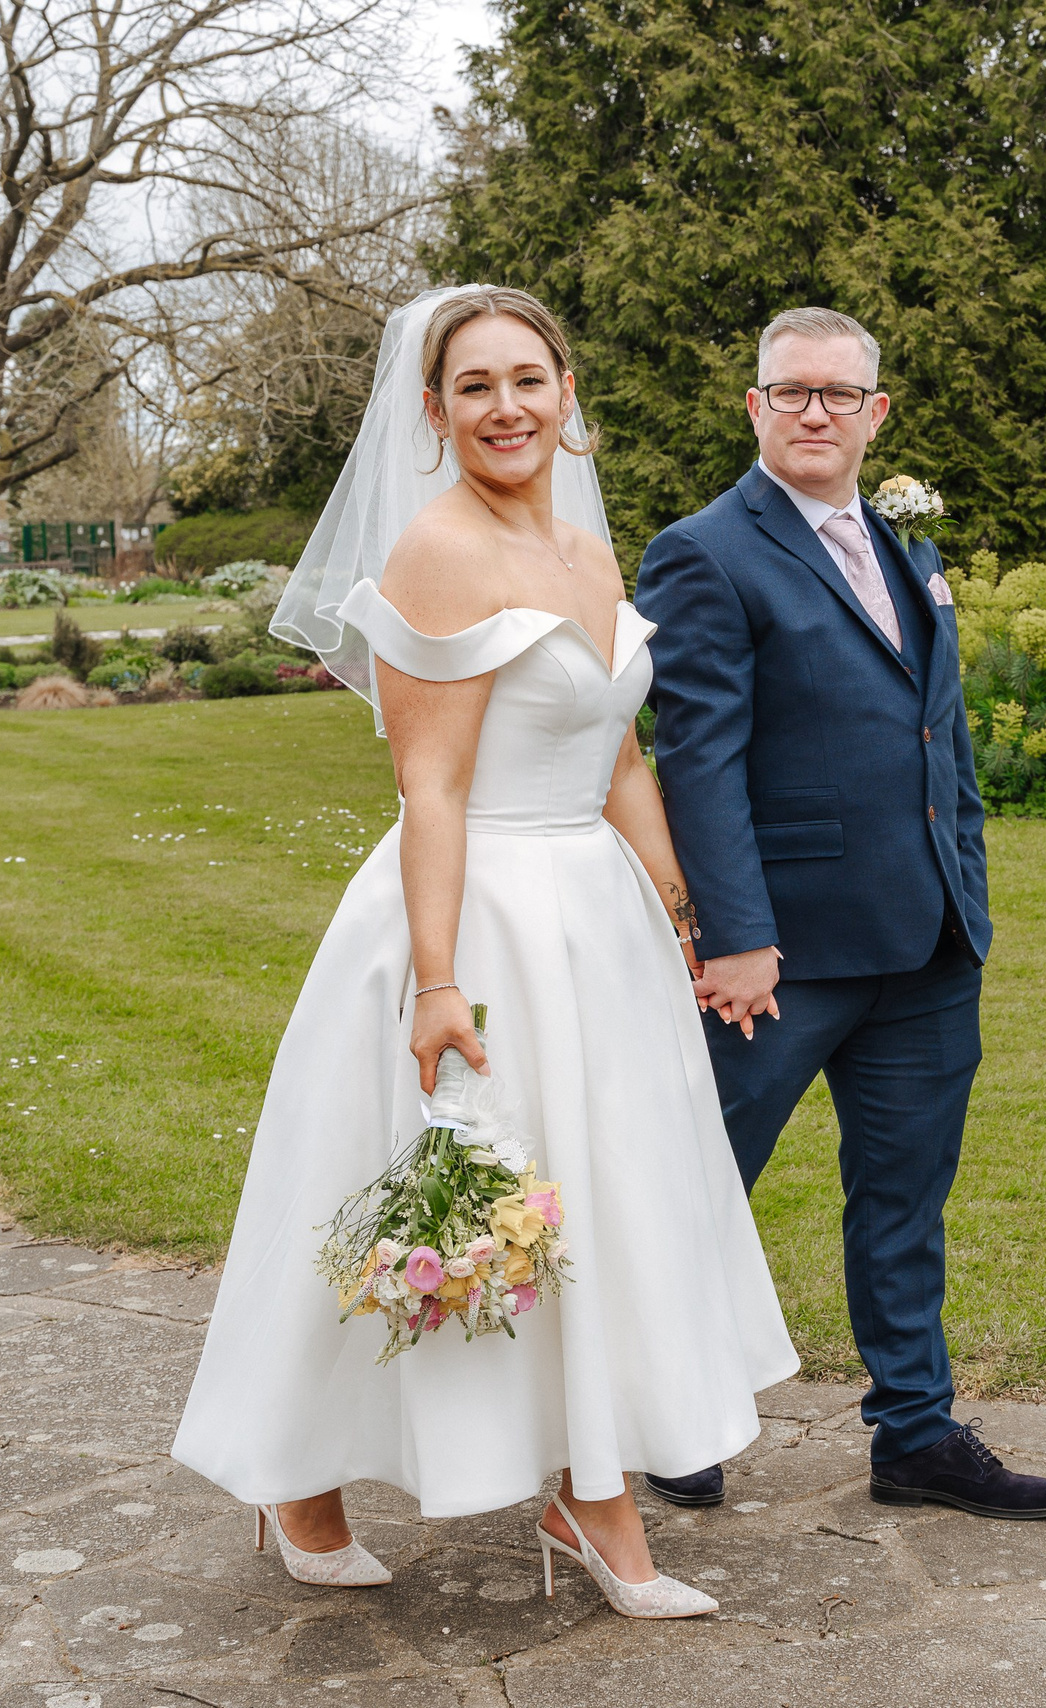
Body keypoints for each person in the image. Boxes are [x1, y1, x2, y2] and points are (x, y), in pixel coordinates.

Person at [173, 286, 798, 1619]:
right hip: (479, 917)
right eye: (476, 387)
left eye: (530, 379)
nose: (507, 406)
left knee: (608, 1197)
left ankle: (587, 1491)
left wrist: (685, 908)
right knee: (440, 1198)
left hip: (599, 923)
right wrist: (440, 980)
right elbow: (434, 790)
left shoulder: (583, 551)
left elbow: (619, 755)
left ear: (569, 394)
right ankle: (303, 1482)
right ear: (434, 410)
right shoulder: (439, 553)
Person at [635, 307, 1046, 1521]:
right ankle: (664, 1411)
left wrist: (965, 876)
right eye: (791, 392)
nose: (814, 412)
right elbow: (697, 760)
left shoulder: (898, 543)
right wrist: (729, 934)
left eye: (838, 394)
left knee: (904, 1199)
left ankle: (915, 1434)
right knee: (702, 1184)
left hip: (928, 943)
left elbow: (940, 731)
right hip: (780, 957)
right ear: (754, 408)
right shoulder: (702, 552)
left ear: (876, 414)